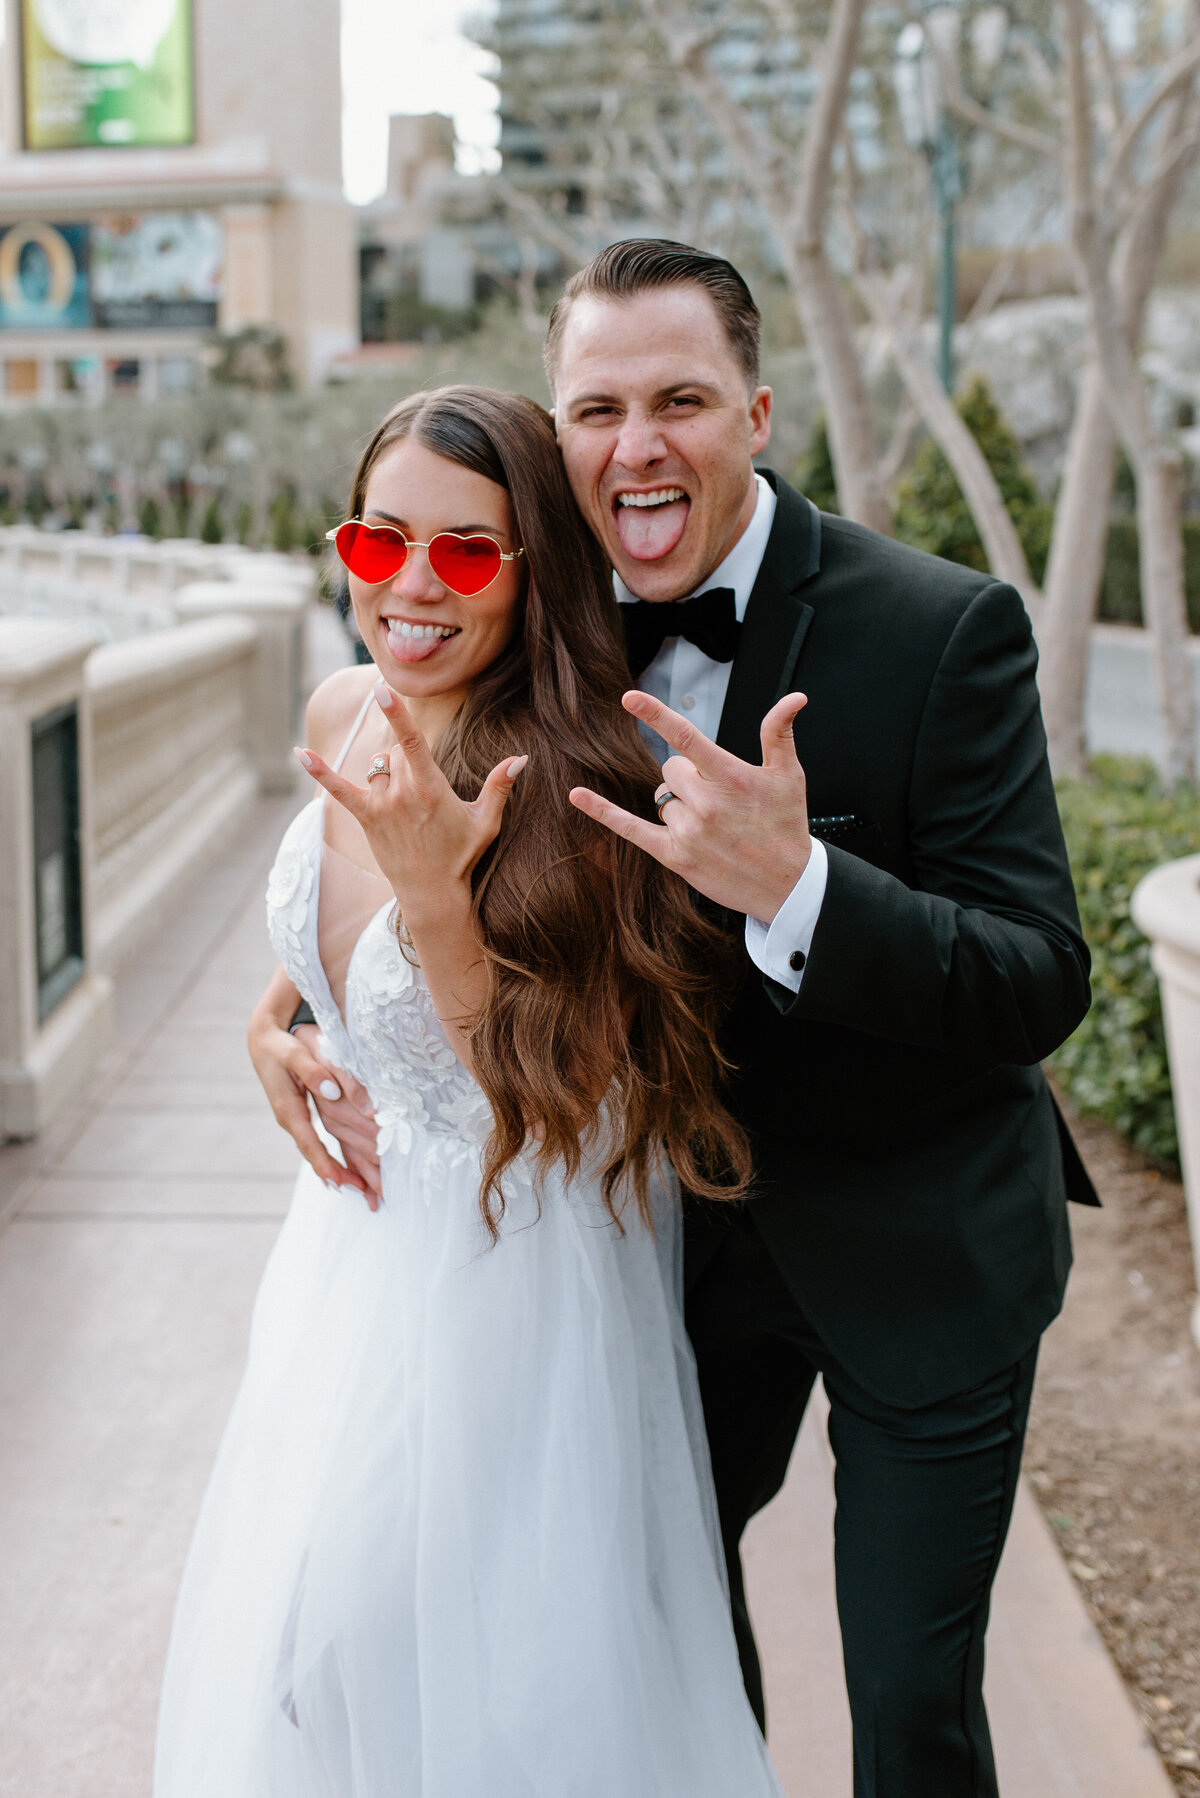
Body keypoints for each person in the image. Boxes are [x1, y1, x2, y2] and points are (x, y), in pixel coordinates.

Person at [254, 241, 1097, 1798]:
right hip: (660, 1248)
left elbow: (1040, 972)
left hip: (919, 1229)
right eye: (598, 408)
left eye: (681, 400)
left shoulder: (939, 632)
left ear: (758, 411)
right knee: (654, 1640)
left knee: (912, 1695)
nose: (637, 444)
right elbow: (421, 857)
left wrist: (805, 887)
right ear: (555, 433)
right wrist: (295, 1011)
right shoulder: (525, 633)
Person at [156, 385, 785, 1797]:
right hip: (352, 1267)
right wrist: (277, 1028)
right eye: (381, 545)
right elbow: (332, 941)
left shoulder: (583, 780)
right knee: (308, 1677)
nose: (415, 588)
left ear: (531, 569)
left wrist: (442, 894)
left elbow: (550, 1094)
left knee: (435, 1677)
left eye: (465, 551)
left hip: (514, 1285)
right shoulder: (344, 706)